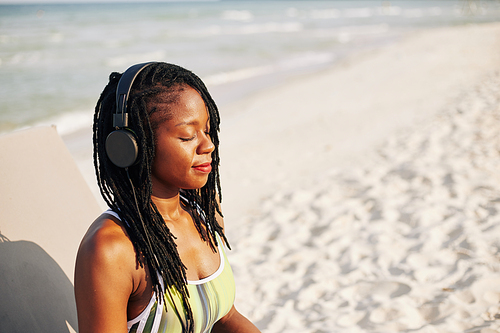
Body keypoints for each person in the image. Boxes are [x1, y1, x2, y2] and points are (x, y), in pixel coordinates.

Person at [74, 62, 261, 333]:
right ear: (131, 145)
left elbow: (224, 316)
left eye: (207, 130)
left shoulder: (205, 213)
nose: (208, 145)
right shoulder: (111, 250)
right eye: (187, 136)